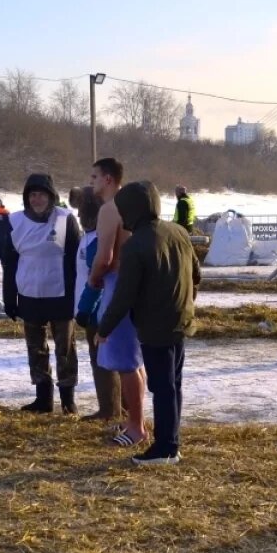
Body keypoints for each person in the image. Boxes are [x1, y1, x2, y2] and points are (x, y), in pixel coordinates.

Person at [96, 181, 199, 466]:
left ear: (131, 210)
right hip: (180, 319)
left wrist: (104, 328)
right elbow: (196, 274)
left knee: (163, 387)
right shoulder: (178, 232)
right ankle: (171, 441)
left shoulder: (136, 244)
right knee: (173, 384)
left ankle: (166, 448)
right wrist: (186, 303)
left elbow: (124, 295)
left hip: (156, 326)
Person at [0, 173, 81, 414]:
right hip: (29, 293)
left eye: (41, 194)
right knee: (36, 348)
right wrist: (9, 297)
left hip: (60, 294)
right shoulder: (14, 221)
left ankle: (68, 398)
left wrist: (75, 296)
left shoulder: (65, 219)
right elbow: (10, 263)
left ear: (51, 196)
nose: (37, 199)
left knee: (65, 348)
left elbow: (75, 260)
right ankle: (43, 398)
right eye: (32, 195)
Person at [88, 157, 148, 447]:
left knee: (125, 361)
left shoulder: (110, 210)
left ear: (108, 179)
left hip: (118, 285)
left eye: (95, 177)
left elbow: (105, 257)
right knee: (135, 362)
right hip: (138, 287)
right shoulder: (135, 207)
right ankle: (135, 420)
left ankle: (136, 427)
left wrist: (93, 278)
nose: (92, 183)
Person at [69, 185, 122, 423]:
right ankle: (120, 407)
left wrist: (86, 310)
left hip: (96, 311)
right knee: (113, 359)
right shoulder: (91, 238)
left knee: (102, 361)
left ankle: (109, 409)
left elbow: (97, 278)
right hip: (95, 307)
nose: (78, 217)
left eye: (82, 211)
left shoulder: (96, 241)